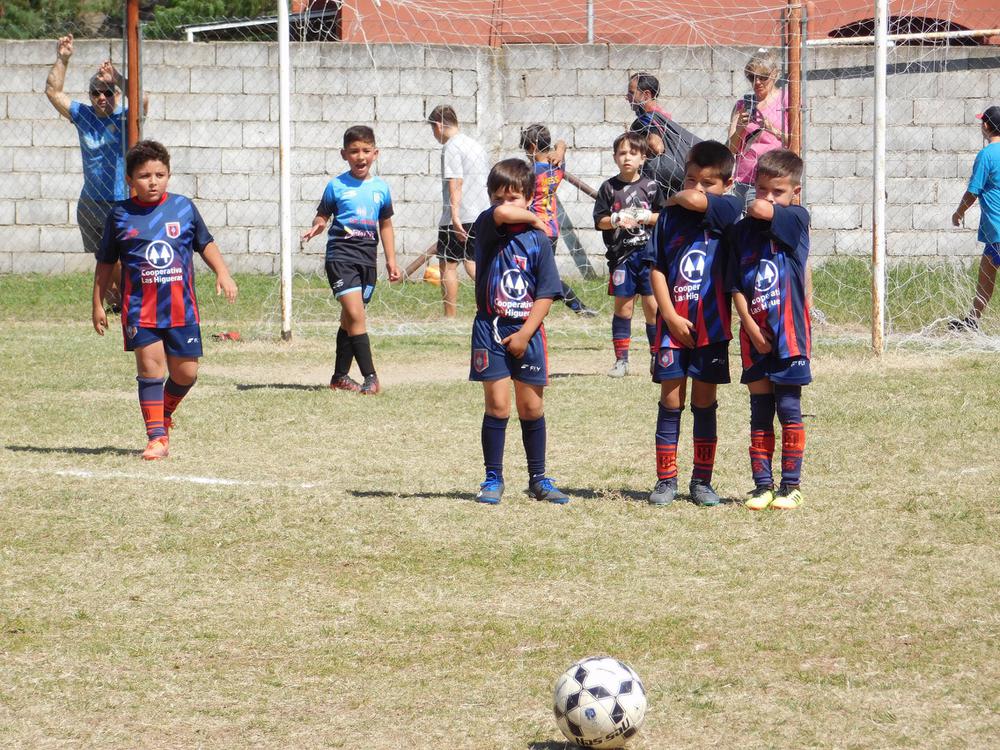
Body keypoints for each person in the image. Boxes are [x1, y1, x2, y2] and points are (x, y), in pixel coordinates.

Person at [91, 140, 238, 461]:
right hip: (139, 310)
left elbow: (205, 243)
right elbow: (105, 261)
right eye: (144, 176)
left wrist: (223, 273)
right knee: (150, 370)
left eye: (160, 175)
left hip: (181, 308)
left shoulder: (183, 208)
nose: (153, 182)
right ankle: (156, 437)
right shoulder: (120, 215)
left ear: (169, 175)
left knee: (187, 374)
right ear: (130, 179)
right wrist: (98, 303)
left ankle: (165, 412)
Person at [646, 141, 742, 507]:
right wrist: (669, 316)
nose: (697, 188)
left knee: (705, 403)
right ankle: (665, 480)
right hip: (672, 329)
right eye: (690, 179)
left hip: (711, 329)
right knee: (671, 401)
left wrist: (677, 197)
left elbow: (696, 201)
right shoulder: (669, 220)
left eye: (707, 182)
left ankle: (702, 481)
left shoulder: (728, 212)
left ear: (727, 185)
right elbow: (657, 268)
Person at [470, 159, 570, 506]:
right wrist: (533, 216)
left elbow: (546, 294)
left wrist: (526, 333)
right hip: (490, 328)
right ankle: (492, 478)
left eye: (514, 197)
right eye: (497, 197)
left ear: (529, 197)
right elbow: (502, 214)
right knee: (497, 406)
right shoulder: (488, 226)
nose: (505, 204)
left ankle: (538, 479)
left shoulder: (538, 242)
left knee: (531, 408)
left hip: (528, 331)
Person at [727, 149, 811, 511]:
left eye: (778, 191)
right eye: (762, 188)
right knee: (760, 411)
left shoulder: (797, 219)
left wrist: (751, 198)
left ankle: (791, 486)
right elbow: (735, 285)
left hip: (790, 337)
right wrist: (749, 325)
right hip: (754, 338)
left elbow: (760, 208)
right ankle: (762, 486)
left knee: (788, 408)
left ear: (795, 193)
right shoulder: (740, 233)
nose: (768, 197)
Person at [46, 33, 149, 308]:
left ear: (117, 94)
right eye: (95, 92)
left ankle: (129, 300)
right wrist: (63, 59)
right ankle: (118, 300)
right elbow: (53, 92)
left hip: (120, 200)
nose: (101, 97)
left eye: (108, 92)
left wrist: (118, 77)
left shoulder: (126, 117)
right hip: (90, 201)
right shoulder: (83, 115)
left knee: (119, 257)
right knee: (103, 257)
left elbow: (142, 99)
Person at [301, 125, 400, 395]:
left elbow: (386, 225)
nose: (360, 156)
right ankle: (371, 377)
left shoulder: (381, 189)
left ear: (375, 153)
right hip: (341, 257)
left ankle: (340, 377)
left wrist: (391, 260)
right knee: (356, 315)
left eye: (366, 150)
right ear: (344, 154)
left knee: (349, 319)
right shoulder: (336, 186)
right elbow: (322, 214)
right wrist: (318, 224)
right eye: (354, 151)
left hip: (367, 260)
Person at [593, 132, 663, 377]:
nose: (627, 158)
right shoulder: (608, 188)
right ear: (614, 157)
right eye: (622, 153)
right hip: (621, 258)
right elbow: (599, 220)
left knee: (652, 307)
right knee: (623, 309)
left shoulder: (651, 187)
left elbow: (663, 217)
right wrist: (614, 219)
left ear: (643, 158)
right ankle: (621, 360)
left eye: (633, 153)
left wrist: (647, 216)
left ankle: (656, 356)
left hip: (648, 257)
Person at [519, 124, 597, 316]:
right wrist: (560, 149)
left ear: (532, 147)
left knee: (542, 276)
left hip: (534, 229)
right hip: (551, 229)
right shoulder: (558, 166)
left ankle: (578, 308)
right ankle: (578, 308)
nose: (526, 155)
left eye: (526, 150)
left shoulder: (530, 172)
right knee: (542, 274)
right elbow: (561, 143)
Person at [426, 104, 491, 317]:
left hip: (460, 214)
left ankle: (450, 316)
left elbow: (456, 181)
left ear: (438, 125)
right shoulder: (475, 146)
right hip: (481, 212)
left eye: (432, 129)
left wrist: (454, 216)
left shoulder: (451, 147)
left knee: (448, 264)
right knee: (473, 262)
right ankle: (494, 302)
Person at [949, 106, 1000, 332]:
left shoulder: (986, 155)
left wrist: (959, 212)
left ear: (986, 126)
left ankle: (972, 320)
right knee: (986, 276)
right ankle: (972, 320)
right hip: (994, 235)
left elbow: (973, 191)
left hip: (997, 229)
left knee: (986, 277)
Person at [727, 49, 789, 207]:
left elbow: (797, 141)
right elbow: (730, 150)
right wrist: (740, 128)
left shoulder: (787, 100)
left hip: (774, 179)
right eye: (751, 77)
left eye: (763, 77)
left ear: (775, 74)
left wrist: (773, 130)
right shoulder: (743, 105)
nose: (757, 82)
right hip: (745, 179)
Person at [626, 72, 701, 198]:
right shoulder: (665, 118)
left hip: (660, 182)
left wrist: (636, 149)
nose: (627, 97)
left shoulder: (646, 119)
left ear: (646, 95)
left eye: (631, 93)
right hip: (682, 176)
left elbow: (657, 146)